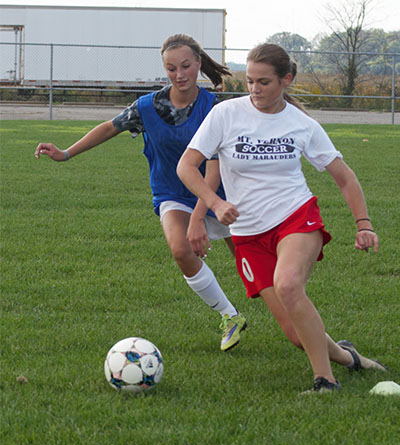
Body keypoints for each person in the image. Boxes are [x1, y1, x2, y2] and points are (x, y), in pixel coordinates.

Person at [177, 43, 387, 394]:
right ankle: (349, 358)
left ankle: (325, 382)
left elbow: (344, 177)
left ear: (286, 80)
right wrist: (214, 205)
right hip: (247, 233)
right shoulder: (226, 114)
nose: (255, 90)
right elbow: (187, 166)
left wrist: (363, 224)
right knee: (295, 334)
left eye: (264, 82)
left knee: (289, 285)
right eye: (250, 81)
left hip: (295, 217)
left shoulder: (301, 124)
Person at [34, 34, 246, 352]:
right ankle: (230, 316)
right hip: (172, 193)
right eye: (171, 68)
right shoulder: (148, 107)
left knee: (254, 271)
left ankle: (299, 323)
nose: (179, 74)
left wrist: (200, 218)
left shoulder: (214, 109)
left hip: (217, 194)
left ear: (199, 64)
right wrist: (66, 153)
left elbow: (215, 170)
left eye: (186, 66)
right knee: (180, 250)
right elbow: (110, 127)